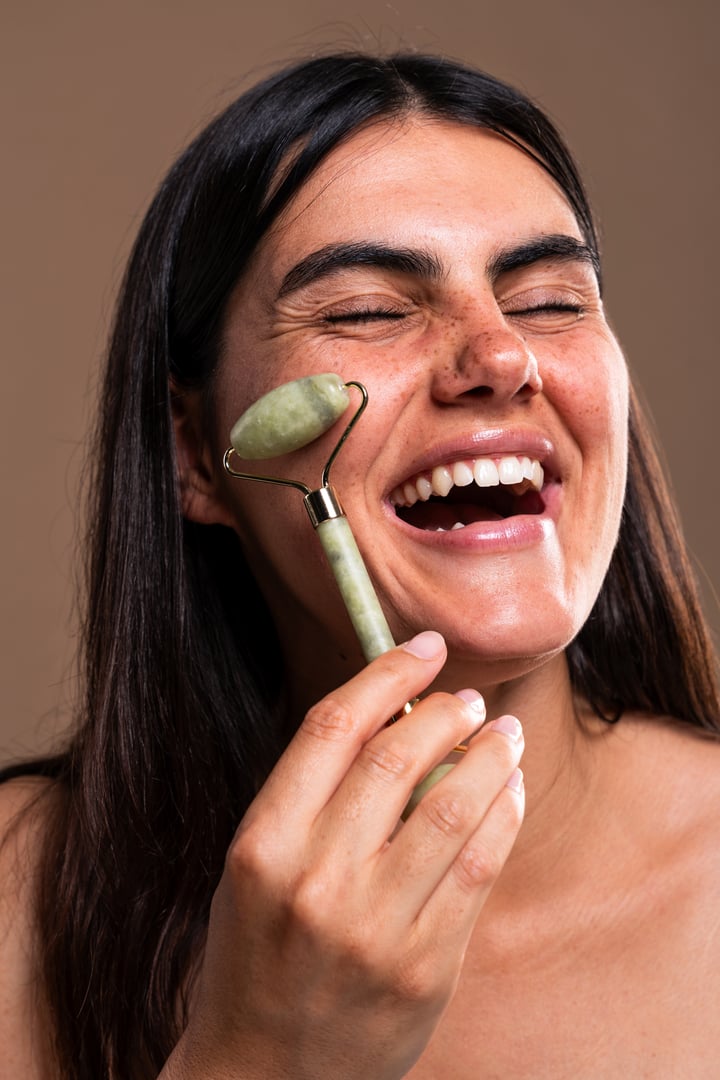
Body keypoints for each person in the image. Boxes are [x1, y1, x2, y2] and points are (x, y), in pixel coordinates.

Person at [1, 51, 719, 1079]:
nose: (500, 356)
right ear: (196, 454)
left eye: (552, 300)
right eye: (369, 312)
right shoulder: (17, 896)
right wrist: (259, 1058)